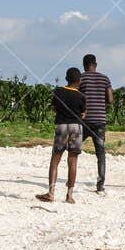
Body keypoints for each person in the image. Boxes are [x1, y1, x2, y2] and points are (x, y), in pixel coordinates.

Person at [37, 67, 86, 203]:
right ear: (79, 81)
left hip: (62, 125)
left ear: (66, 79)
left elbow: (54, 107)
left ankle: (51, 192)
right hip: (76, 127)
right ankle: (69, 195)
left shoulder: (58, 92)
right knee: (73, 160)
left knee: (55, 159)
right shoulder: (82, 96)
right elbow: (83, 114)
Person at [77, 54, 113, 194]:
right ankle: (100, 184)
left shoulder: (81, 78)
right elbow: (110, 100)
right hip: (100, 121)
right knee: (100, 153)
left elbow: (77, 97)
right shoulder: (105, 78)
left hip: (84, 121)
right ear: (95, 64)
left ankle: (70, 179)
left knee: (74, 150)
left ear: (84, 65)